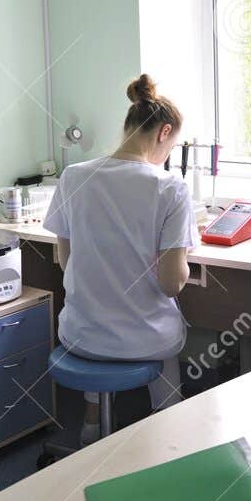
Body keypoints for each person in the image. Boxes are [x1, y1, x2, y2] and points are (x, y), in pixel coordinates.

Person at [43, 74, 196, 444]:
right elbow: (171, 283)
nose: (167, 158)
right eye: (171, 147)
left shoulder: (74, 176)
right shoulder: (169, 188)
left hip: (79, 335)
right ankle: (169, 432)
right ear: (164, 133)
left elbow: (65, 261)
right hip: (143, 341)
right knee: (165, 342)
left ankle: (92, 422)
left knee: (102, 322)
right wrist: (185, 254)